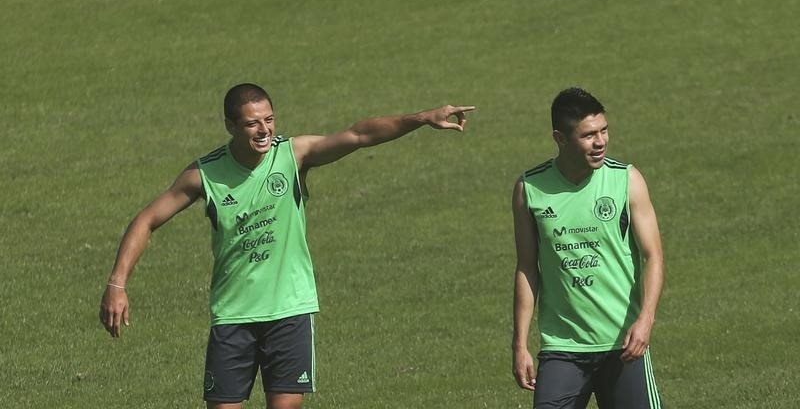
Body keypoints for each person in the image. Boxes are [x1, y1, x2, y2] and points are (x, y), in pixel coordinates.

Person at [99, 83, 474, 409]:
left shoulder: (293, 155)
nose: (264, 130)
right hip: (233, 316)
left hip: (289, 311)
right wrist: (118, 283)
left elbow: (360, 135)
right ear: (231, 126)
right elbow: (146, 219)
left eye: (269, 120)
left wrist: (422, 118)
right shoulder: (205, 174)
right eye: (252, 123)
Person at [511, 87, 665, 408]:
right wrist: (520, 344)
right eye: (588, 135)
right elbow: (527, 267)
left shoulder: (626, 180)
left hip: (623, 344)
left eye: (604, 131)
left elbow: (653, 256)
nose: (601, 142)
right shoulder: (530, 190)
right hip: (562, 348)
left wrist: (645, 320)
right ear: (561, 139)